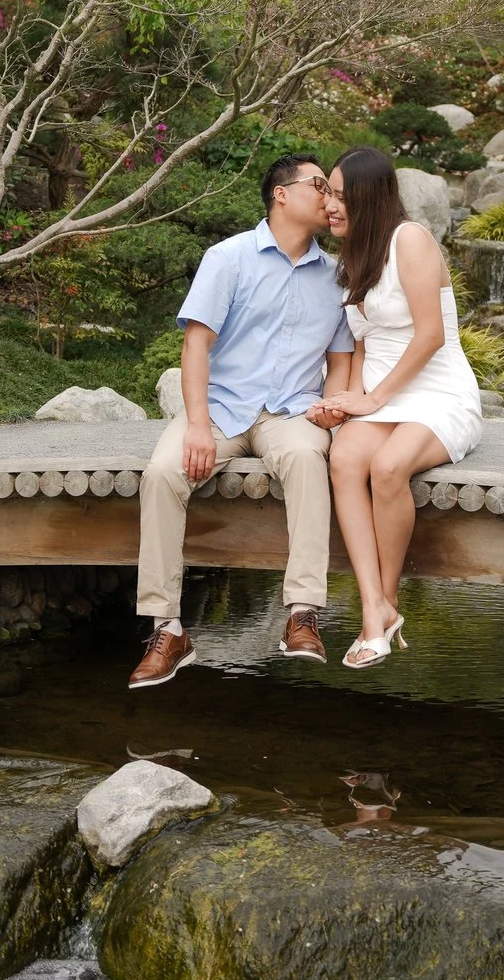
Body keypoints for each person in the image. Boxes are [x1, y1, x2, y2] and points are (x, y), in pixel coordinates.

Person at [127, 155, 356, 689]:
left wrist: (331, 408)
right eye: (318, 185)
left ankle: (302, 615)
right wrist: (199, 425)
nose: (328, 197)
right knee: (163, 472)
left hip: (293, 410)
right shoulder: (228, 258)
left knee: (305, 457)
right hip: (224, 407)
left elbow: (342, 358)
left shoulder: (337, 275)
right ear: (282, 194)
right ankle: (167, 628)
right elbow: (196, 345)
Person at [309, 147, 483, 668]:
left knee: (387, 469)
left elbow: (430, 336)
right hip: (380, 396)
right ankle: (373, 605)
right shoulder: (353, 257)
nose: (330, 206)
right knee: (343, 460)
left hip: (438, 392)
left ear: (368, 197)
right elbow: (362, 347)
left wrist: (373, 399)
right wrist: (346, 404)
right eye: (328, 195)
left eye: (339, 196)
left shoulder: (411, 240)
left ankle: (385, 608)